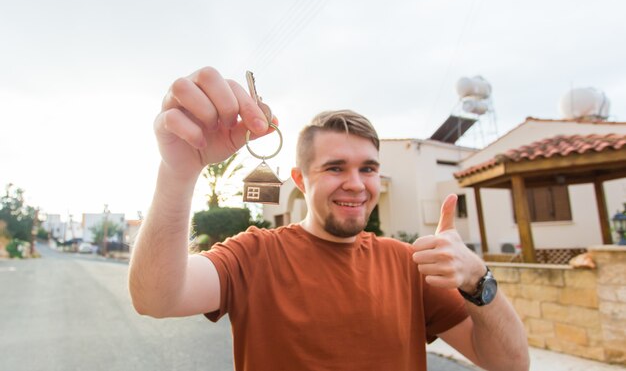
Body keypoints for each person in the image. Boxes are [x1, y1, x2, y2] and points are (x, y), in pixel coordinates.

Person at [128, 66, 529, 371]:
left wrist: (477, 279)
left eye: (368, 169)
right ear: (300, 180)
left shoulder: (409, 266)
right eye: (335, 168)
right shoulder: (254, 255)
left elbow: (511, 364)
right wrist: (178, 173)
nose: (356, 184)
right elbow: (156, 298)